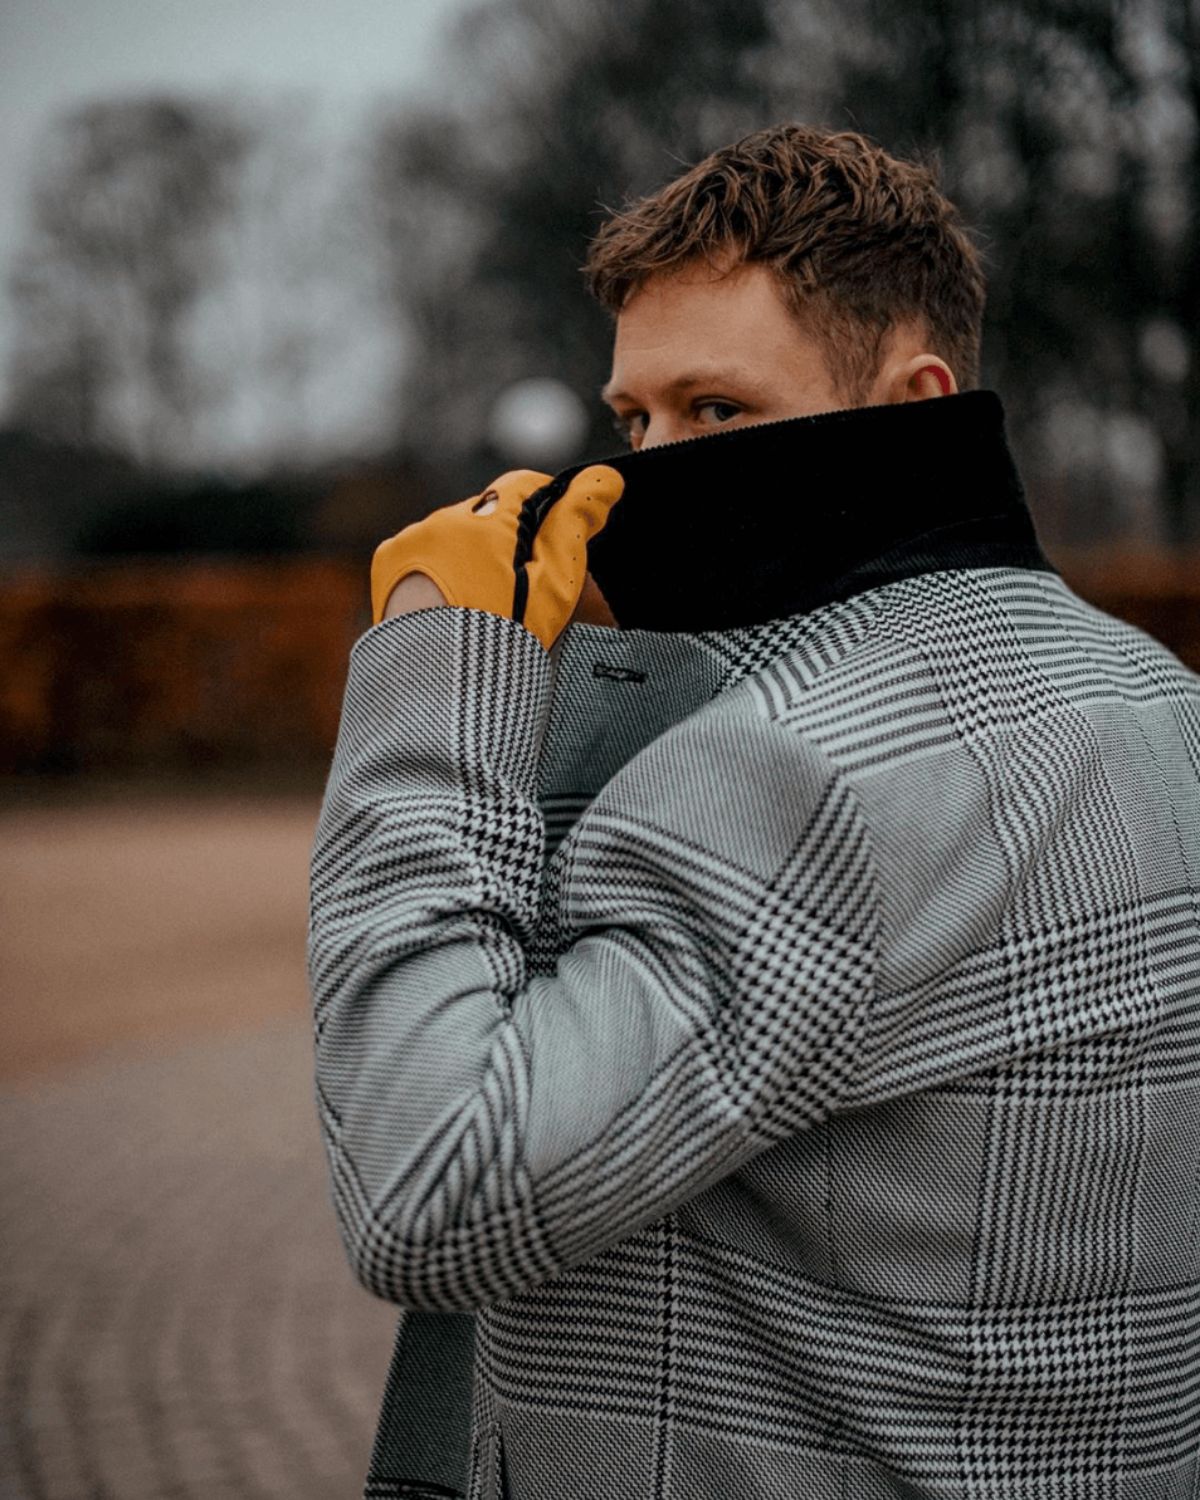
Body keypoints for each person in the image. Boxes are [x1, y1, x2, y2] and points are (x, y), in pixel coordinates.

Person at [307, 125, 1200, 1498]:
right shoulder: (1151, 694)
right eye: (634, 422)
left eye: (718, 413)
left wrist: (437, 669)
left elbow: (434, 1184)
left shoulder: (795, 771)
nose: (646, 475)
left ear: (913, 404)